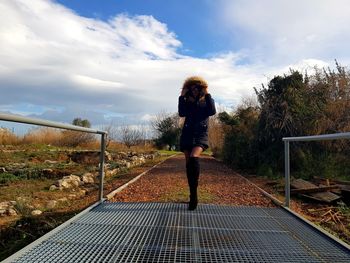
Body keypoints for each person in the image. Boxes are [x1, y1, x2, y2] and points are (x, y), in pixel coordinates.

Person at [178, 76, 216, 210]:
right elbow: (181, 113)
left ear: (201, 89)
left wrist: (207, 93)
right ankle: (192, 193)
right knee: (189, 164)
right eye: (192, 88)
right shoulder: (187, 101)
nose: (194, 90)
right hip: (188, 134)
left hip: (201, 135)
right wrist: (182, 96)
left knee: (194, 157)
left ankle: (194, 196)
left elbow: (212, 111)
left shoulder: (206, 101)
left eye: (197, 88)